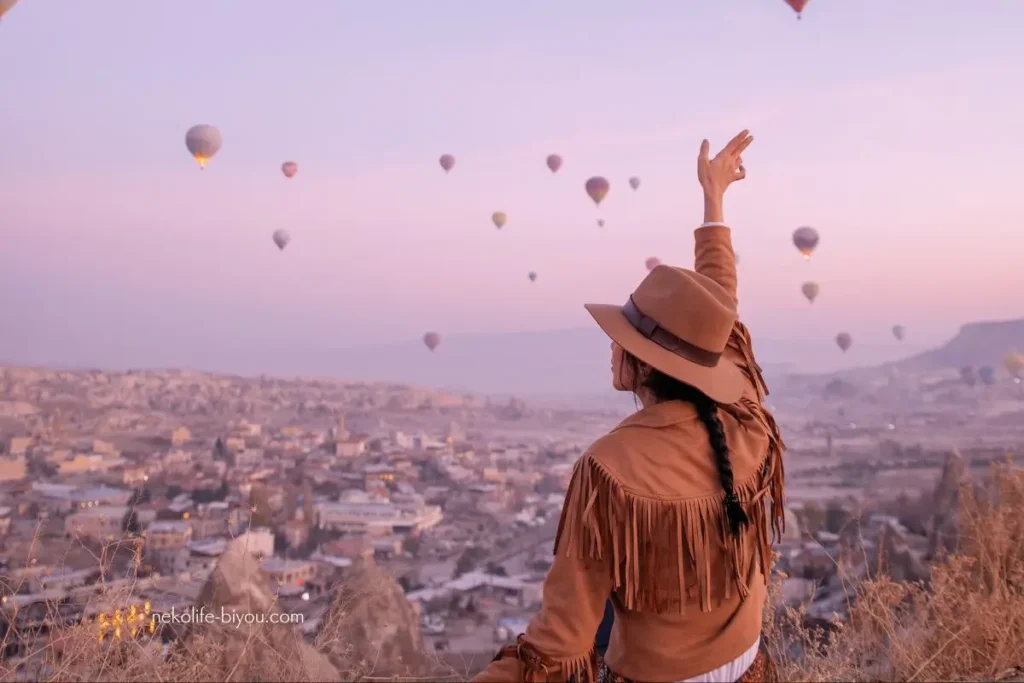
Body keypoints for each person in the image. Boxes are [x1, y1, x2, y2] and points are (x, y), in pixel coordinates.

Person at [472, 130, 786, 683]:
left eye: (626, 339)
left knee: (598, 628)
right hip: (745, 660)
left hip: (659, 675)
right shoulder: (745, 414)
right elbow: (717, 311)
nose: (614, 344)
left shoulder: (609, 468)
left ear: (642, 365)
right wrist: (714, 200)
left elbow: (561, 640)